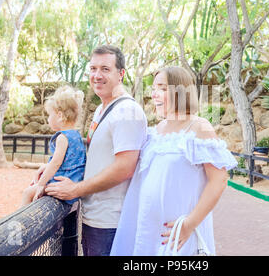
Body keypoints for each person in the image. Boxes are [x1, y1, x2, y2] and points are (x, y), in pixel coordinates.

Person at [110, 66, 238, 256]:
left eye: (162, 88)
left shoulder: (199, 127)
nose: (155, 94)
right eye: (153, 89)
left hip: (179, 236)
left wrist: (190, 223)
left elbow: (219, 180)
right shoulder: (157, 129)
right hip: (149, 232)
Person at [45, 45, 147, 256]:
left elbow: (124, 168)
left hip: (112, 222)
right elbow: (96, 160)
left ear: (121, 74)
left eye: (105, 69)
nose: (97, 75)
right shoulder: (101, 110)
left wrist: (75, 190)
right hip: (94, 218)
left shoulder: (127, 110)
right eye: (93, 69)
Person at [21, 85, 86, 207]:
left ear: (60, 116)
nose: (49, 119)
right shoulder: (76, 135)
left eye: (49, 115)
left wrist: (41, 184)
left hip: (61, 184)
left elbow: (55, 163)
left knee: (27, 192)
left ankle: (19, 223)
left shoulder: (62, 137)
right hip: (74, 180)